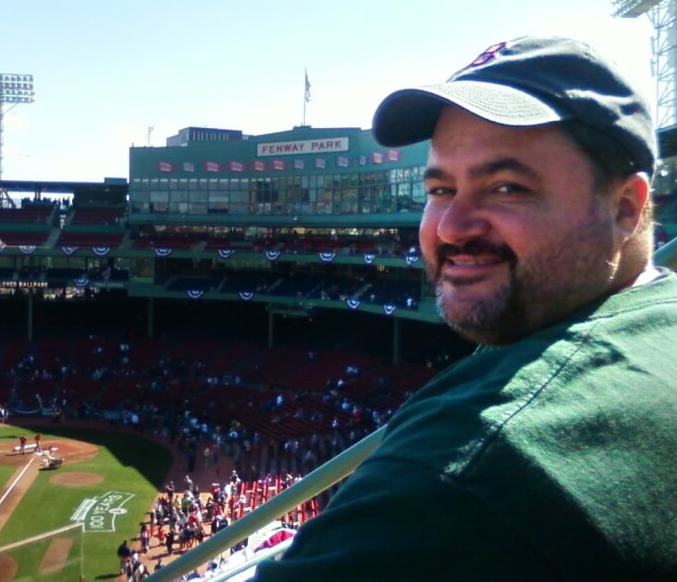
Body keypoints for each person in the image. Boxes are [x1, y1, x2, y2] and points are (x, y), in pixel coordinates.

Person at [253, 36, 677, 581]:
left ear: (624, 207)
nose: (451, 227)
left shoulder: (465, 465)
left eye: (506, 187)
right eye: (440, 189)